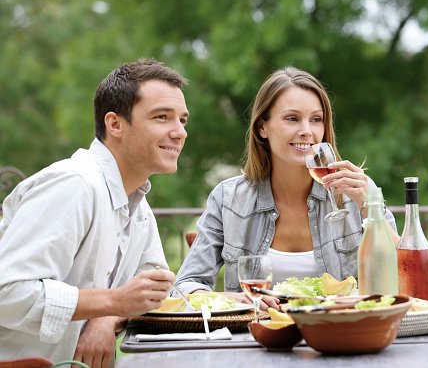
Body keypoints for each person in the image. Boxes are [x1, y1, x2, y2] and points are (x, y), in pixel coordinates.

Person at [0, 58, 189, 366]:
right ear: (115, 124)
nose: (179, 132)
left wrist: (107, 317)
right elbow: (6, 292)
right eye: (162, 117)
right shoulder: (74, 185)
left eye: (182, 120)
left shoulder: (138, 206)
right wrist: (112, 301)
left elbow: (153, 293)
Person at [175, 66, 397, 310]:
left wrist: (370, 208)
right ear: (262, 127)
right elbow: (186, 285)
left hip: (338, 329)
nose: (307, 131)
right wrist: (238, 300)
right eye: (292, 118)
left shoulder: (357, 192)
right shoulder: (228, 198)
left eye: (316, 119)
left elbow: (405, 274)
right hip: (256, 332)